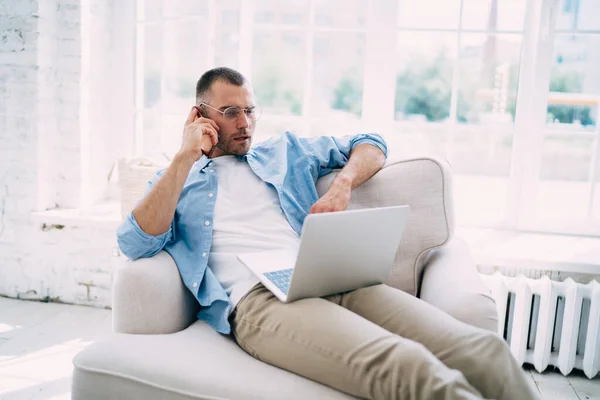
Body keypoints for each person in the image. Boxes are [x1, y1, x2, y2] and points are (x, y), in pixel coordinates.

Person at [117, 67, 540, 400]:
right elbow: (136, 242)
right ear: (200, 116)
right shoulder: (178, 177)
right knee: (411, 368)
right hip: (259, 301)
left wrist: (342, 185)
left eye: (250, 110)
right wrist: (184, 156)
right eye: (230, 113)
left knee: (485, 351)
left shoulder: (284, 152)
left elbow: (370, 142)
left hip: (325, 277)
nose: (245, 123)